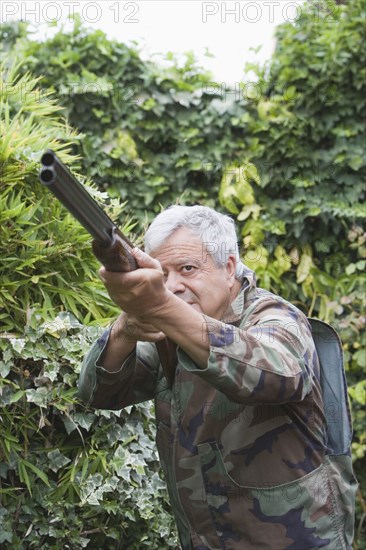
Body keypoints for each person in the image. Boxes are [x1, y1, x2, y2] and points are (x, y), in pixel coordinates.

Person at [79, 205, 356, 550]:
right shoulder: (167, 332)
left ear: (228, 268)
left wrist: (161, 307)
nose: (174, 287)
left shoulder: (276, 318)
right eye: (162, 276)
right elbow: (98, 393)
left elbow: (273, 372)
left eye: (188, 269)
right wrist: (125, 328)